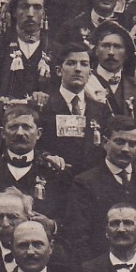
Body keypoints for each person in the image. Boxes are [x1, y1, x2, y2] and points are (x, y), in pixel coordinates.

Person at [66, 116, 136, 257]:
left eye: (132, 144)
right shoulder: (85, 183)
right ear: (105, 142)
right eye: (119, 142)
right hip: (103, 266)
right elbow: (78, 236)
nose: (125, 149)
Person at [36, 46, 112, 178]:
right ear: (59, 71)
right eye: (71, 63)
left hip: (90, 185)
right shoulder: (44, 106)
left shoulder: (101, 109)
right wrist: (46, 157)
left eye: (84, 64)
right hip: (54, 181)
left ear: (90, 72)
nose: (78, 69)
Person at [0, 0, 57, 106]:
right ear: (14, 12)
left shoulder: (55, 50)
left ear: (44, 13)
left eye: (37, 7)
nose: (30, 13)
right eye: (24, 6)